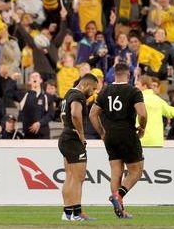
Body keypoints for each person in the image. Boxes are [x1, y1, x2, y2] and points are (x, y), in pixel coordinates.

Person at [89, 62, 146, 219]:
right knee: (136, 171)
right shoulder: (133, 91)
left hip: (110, 136)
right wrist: (142, 127)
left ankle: (120, 210)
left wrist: (102, 132)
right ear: (129, 75)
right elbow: (142, 114)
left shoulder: (104, 91)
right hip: (127, 134)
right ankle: (118, 196)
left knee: (116, 173)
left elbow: (92, 114)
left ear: (114, 74)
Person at [58, 72, 99, 222]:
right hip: (73, 139)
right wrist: (81, 134)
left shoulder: (68, 93)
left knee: (70, 176)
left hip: (65, 137)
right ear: (86, 84)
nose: (93, 92)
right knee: (78, 177)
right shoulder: (78, 96)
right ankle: (76, 213)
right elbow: (75, 114)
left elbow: (63, 116)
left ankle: (67, 213)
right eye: (93, 88)